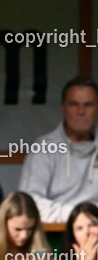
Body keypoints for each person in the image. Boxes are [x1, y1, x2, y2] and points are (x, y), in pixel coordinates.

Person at [18, 77, 98, 223]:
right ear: (63, 109)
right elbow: (28, 204)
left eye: (88, 105)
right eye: (74, 104)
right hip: (52, 236)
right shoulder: (43, 147)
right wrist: (82, 217)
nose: (81, 111)